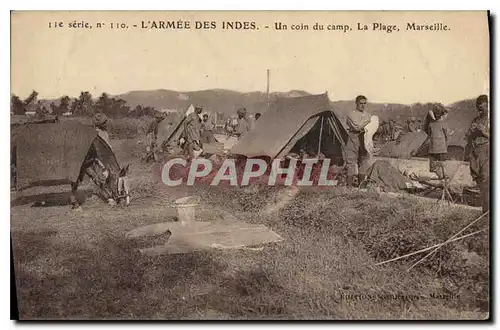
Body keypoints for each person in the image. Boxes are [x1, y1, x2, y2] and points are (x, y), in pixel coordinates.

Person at [466, 94, 490, 213]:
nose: (480, 110)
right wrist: (470, 132)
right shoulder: (475, 119)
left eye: (482, 108)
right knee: (478, 178)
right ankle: (485, 207)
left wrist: (483, 131)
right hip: (475, 152)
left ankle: (486, 211)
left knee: (486, 178)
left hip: (487, 150)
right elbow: (468, 136)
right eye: (478, 108)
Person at [345, 95, 372, 187]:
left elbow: (368, 124)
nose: (363, 105)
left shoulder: (368, 115)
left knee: (363, 162)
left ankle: (361, 187)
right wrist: (366, 122)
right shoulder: (351, 114)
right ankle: (349, 187)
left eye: (365, 103)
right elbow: (357, 127)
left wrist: (364, 123)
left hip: (364, 139)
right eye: (361, 103)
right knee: (351, 162)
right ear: (356, 103)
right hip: (353, 138)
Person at [425, 104, 452, 179]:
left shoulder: (431, 124)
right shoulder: (443, 124)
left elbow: (429, 134)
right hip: (440, 149)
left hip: (434, 149)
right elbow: (448, 137)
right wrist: (445, 147)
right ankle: (443, 178)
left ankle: (439, 179)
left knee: (434, 168)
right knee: (442, 167)